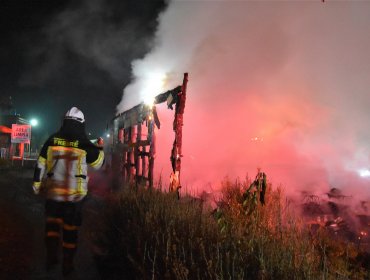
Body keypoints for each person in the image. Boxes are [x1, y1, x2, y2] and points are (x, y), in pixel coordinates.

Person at [32, 107, 104, 276]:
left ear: (64, 121)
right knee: (70, 231)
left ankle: (51, 258)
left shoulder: (52, 139)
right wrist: (100, 147)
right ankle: (67, 264)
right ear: (82, 124)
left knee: (51, 227)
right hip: (74, 197)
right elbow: (98, 164)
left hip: (53, 194)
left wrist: (36, 185)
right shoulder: (84, 143)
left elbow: (40, 163)